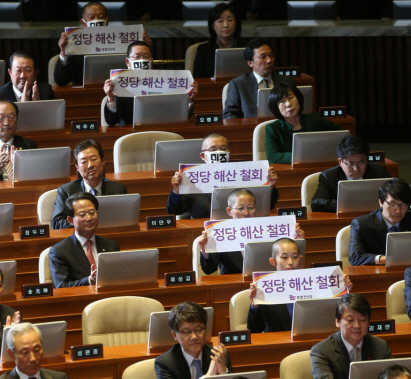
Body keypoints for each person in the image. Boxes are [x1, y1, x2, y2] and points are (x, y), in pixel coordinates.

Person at [247, 238, 353, 332]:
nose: (291, 262)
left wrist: (345, 292)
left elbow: (332, 316)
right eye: (284, 257)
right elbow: (255, 329)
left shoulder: (316, 282)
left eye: (295, 257)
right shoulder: (265, 287)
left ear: (300, 259)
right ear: (273, 261)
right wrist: (255, 304)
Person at [166, 132, 279, 219]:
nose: (219, 152)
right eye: (213, 149)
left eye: (223, 149)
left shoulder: (244, 173)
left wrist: (271, 186)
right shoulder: (192, 178)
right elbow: (175, 211)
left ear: (229, 153)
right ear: (203, 156)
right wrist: (176, 190)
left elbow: (268, 206)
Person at [198, 189, 305, 275]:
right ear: (229, 211)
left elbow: (286, 260)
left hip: (266, 280)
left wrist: (297, 240)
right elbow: (209, 270)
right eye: (240, 208)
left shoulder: (270, 229)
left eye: (250, 208)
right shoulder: (220, 233)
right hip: (234, 283)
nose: (246, 213)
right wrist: (205, 252)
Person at [54, 1, 152, 86]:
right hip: (86, 94)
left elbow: (142, 75)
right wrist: (64, 53)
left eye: (101, 17)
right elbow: (61, 81)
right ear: (83, 22)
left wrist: (143, 48)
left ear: (107, 20)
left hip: (120, 90)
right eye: (91, 17)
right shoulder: (74, 44)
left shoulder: (122, 41)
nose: (96, 20)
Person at [103, 40, 198, 126]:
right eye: (137, 56)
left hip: (163, 129)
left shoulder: (166, 81)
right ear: (128, 62)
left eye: (146, 56)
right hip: (131, 132)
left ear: (151, 60)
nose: (142, 59)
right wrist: (110, 97)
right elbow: (112, 121)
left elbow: (183, 116)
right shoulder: (120, 82)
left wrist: (189, 98)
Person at [310, 293, 392, 379]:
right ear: (337, 321)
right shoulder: (322, 351)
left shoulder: (380, 346)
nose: (357, 325)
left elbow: (394, 375)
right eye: (350, 320)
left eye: (362, 320)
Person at [51, 139, 127, 229]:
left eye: (94, 159)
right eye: (84, 162)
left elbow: (126, 218)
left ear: (103, 162)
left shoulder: (118, 189)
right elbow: (57, 223)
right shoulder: (66, 191)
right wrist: (82, 222)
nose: (90, 165)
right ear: (77, 168)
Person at [49, 192, 120, 288]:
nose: (89, 218)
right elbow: (62, 286)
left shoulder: (111, 245)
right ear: (70, 220)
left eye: (92, 213)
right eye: (82, 215)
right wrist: (89, 280)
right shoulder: (60, 251)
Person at [264, 82, 341, 164]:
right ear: (275, 107)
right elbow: (273, 157)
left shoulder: (315, 120)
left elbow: (341, 135)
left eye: (290, 98)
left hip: (318, 166)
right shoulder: (272, 129)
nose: (288, 104)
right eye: (282, 101)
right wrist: (304, 156)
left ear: (298, 99)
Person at [311, 135, 391, 212]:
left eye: (361, 163)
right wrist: (348, 205)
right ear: (340, 162)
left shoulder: (379, 171)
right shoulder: (329, 176)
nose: (356, 168)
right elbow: (316, 202)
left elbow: (394, 195)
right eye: (350, 163)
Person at [155, 301, 232, 379]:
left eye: (198, 330)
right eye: (186, 332)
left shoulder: (218, 356)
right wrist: (209, 376)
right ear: (175, 335)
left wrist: (223, 372)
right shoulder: (165, 363)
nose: (194, 337)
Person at [223, 38, 294, 119]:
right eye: (263, 57)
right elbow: (229, 115)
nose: (269, 60)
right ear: (250, 63)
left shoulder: (287, 81)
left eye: (271, 56)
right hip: (251, 129)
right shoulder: (238, 84)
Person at [348, 178, 411, 266]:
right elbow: (355, 257)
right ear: (381, 202)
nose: (398, 211)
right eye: (392, 204)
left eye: (403, 205)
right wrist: (385, 259)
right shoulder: (361, 224)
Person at [1, 323, 68, 379]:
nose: (33, 359)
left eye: (37, 350)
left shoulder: (60, 377)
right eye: (25, 352)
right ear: (11, 354)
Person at [193, 3, 243, 78]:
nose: (226, 25)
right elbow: (197, 79)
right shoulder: (203, 50)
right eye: (220, 21)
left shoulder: (247, 47)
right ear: (213, 26)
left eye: (230, 20)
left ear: (236, 23)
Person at [0, 100, 37, 181]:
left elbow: (35, 175)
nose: (6, 122)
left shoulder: (29, 145)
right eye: (1, 118)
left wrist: (20, 165)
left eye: (11, 117)